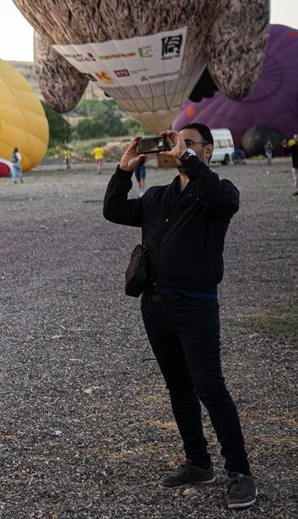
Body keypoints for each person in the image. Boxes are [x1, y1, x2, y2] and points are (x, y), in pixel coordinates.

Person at [104, 124, 257, 510]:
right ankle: (198, 462)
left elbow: (225, 203)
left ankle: (239, 472)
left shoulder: (218, 193)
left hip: (196, 304)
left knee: (210, 388)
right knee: (179, 388)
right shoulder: (157, 196)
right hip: (154, 305)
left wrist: (188, 161)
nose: (178, 148)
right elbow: (114, 211)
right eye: (176, 143)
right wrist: (124, 171)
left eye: (188, 144)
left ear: (207, 152)